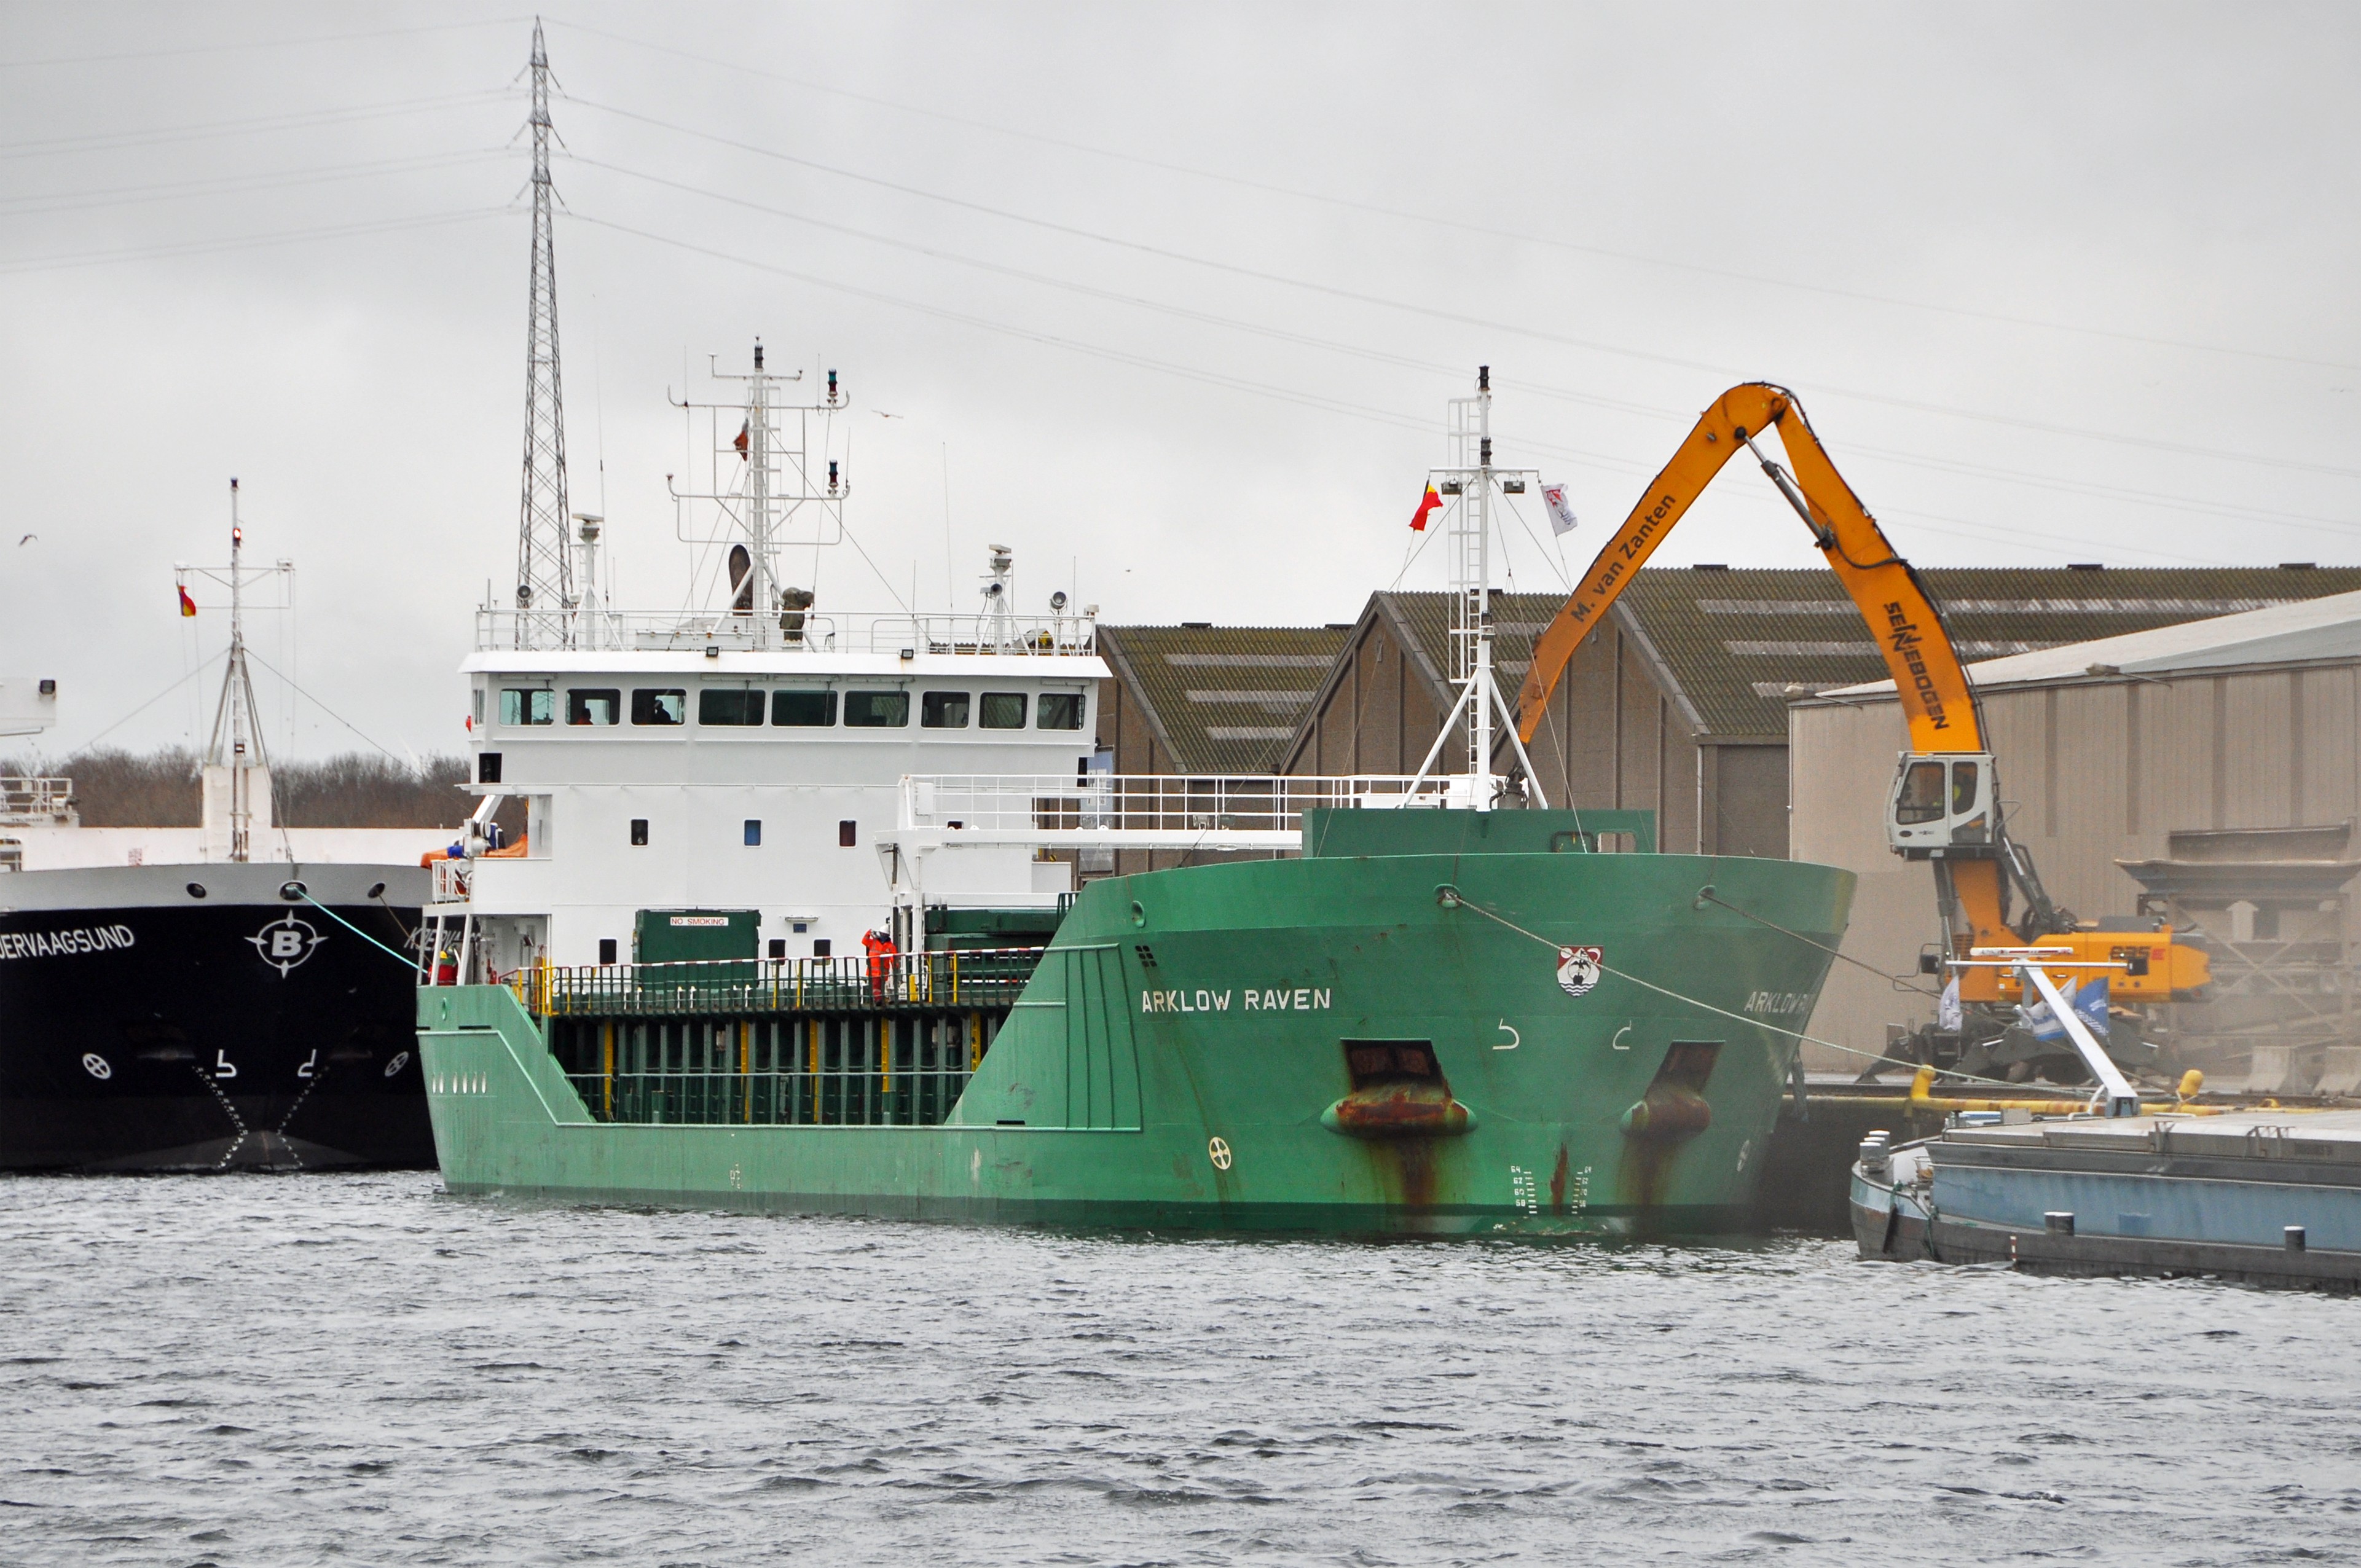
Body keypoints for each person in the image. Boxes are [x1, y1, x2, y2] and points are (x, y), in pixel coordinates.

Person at [862, 928, 897, 1000]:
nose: (883, 936)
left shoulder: (891, 946)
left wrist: (895, 965)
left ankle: (880, 1000)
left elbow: (894, 958)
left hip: (883, 973)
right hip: (873, 972)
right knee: (876, 988)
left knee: (880, 988)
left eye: (885, 935)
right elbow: (864, 941)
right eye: (882, 934)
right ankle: (879, 1001)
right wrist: (869, 932)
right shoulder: (873, 942)